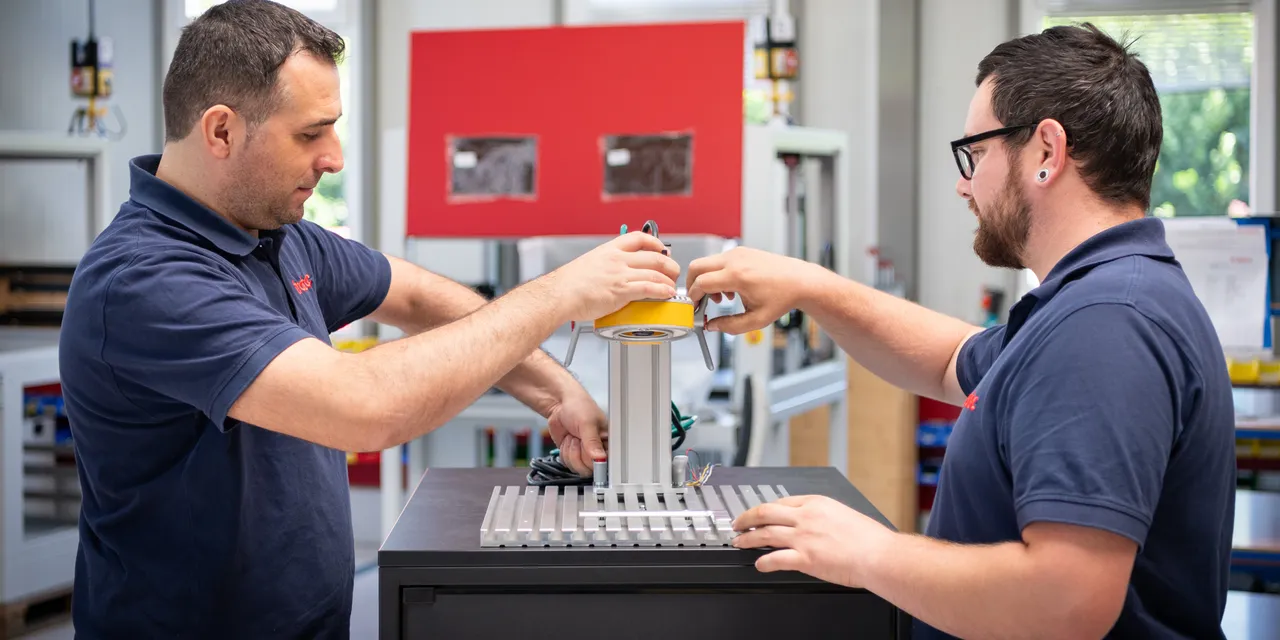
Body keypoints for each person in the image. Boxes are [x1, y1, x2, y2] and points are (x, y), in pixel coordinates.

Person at [56, 1, 679, 637]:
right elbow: (365, 406)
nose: (334, 157)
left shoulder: (274, 232)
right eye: (309, 133)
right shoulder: (144, 279)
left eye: (334, 129)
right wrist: (563, 293)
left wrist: (558, 392)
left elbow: (414, 296)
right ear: (220, 131)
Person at [689, 24, 1235, 640]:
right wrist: (812, 287)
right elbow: (951, 358)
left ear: (1047, 153)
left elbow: (1068, 599)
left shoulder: (1106, 324)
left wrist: (868, 552)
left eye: (974, 154)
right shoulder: (1092, 300)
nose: (963, 183)